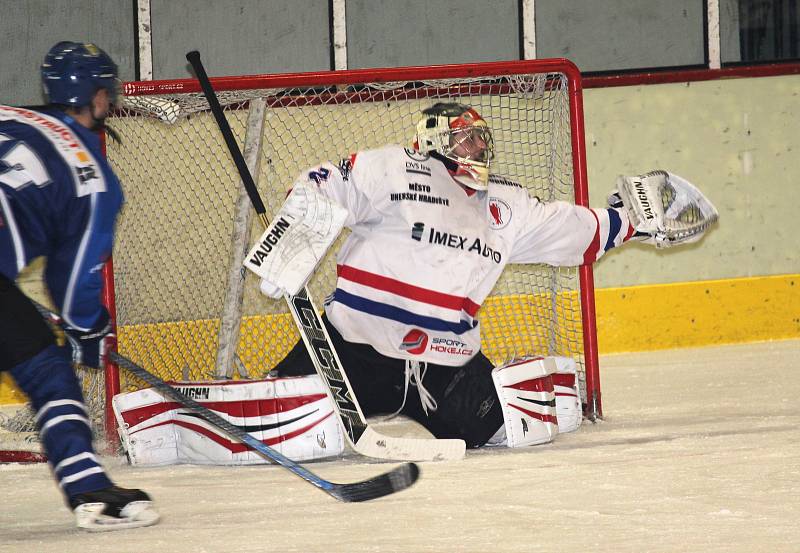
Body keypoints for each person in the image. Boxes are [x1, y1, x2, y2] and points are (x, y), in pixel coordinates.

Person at [257, 102, 714, 450]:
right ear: (433, 139)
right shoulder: (393, 168)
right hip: (351, 353)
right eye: (466, 139)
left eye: (481, 139)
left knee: (516, 431)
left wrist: (630, 221)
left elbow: (569, 230)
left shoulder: (504, 206)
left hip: (446, 370)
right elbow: (325, 183)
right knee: (269, 425)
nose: (478, 148)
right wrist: (292, 241)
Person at [0, 42, 158, 531]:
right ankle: (90, 492)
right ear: (95, 95)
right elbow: (73, 279)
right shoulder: (91, 175)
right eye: (107, 92)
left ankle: (89, 484)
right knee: (50, 374)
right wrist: (87, 331)